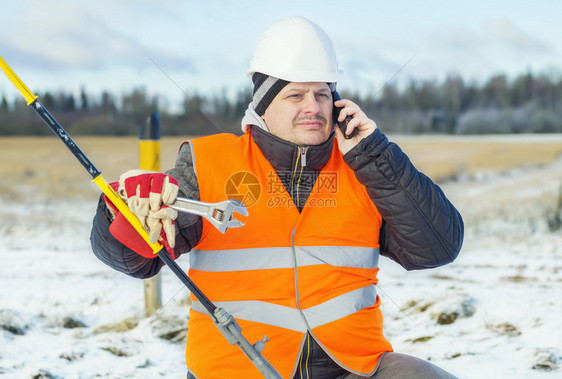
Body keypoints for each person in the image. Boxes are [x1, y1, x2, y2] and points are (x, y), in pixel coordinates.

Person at [90, 16, 463, 379]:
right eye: (295, 95)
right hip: (237, 370)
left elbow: (437, 248)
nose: (313, 107)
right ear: (263, 105)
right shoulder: (209, 163)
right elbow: (135, 261)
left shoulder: (364, 166)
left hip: (353, 368)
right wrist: (120, 215)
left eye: (322, 94)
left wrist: (376, 155)